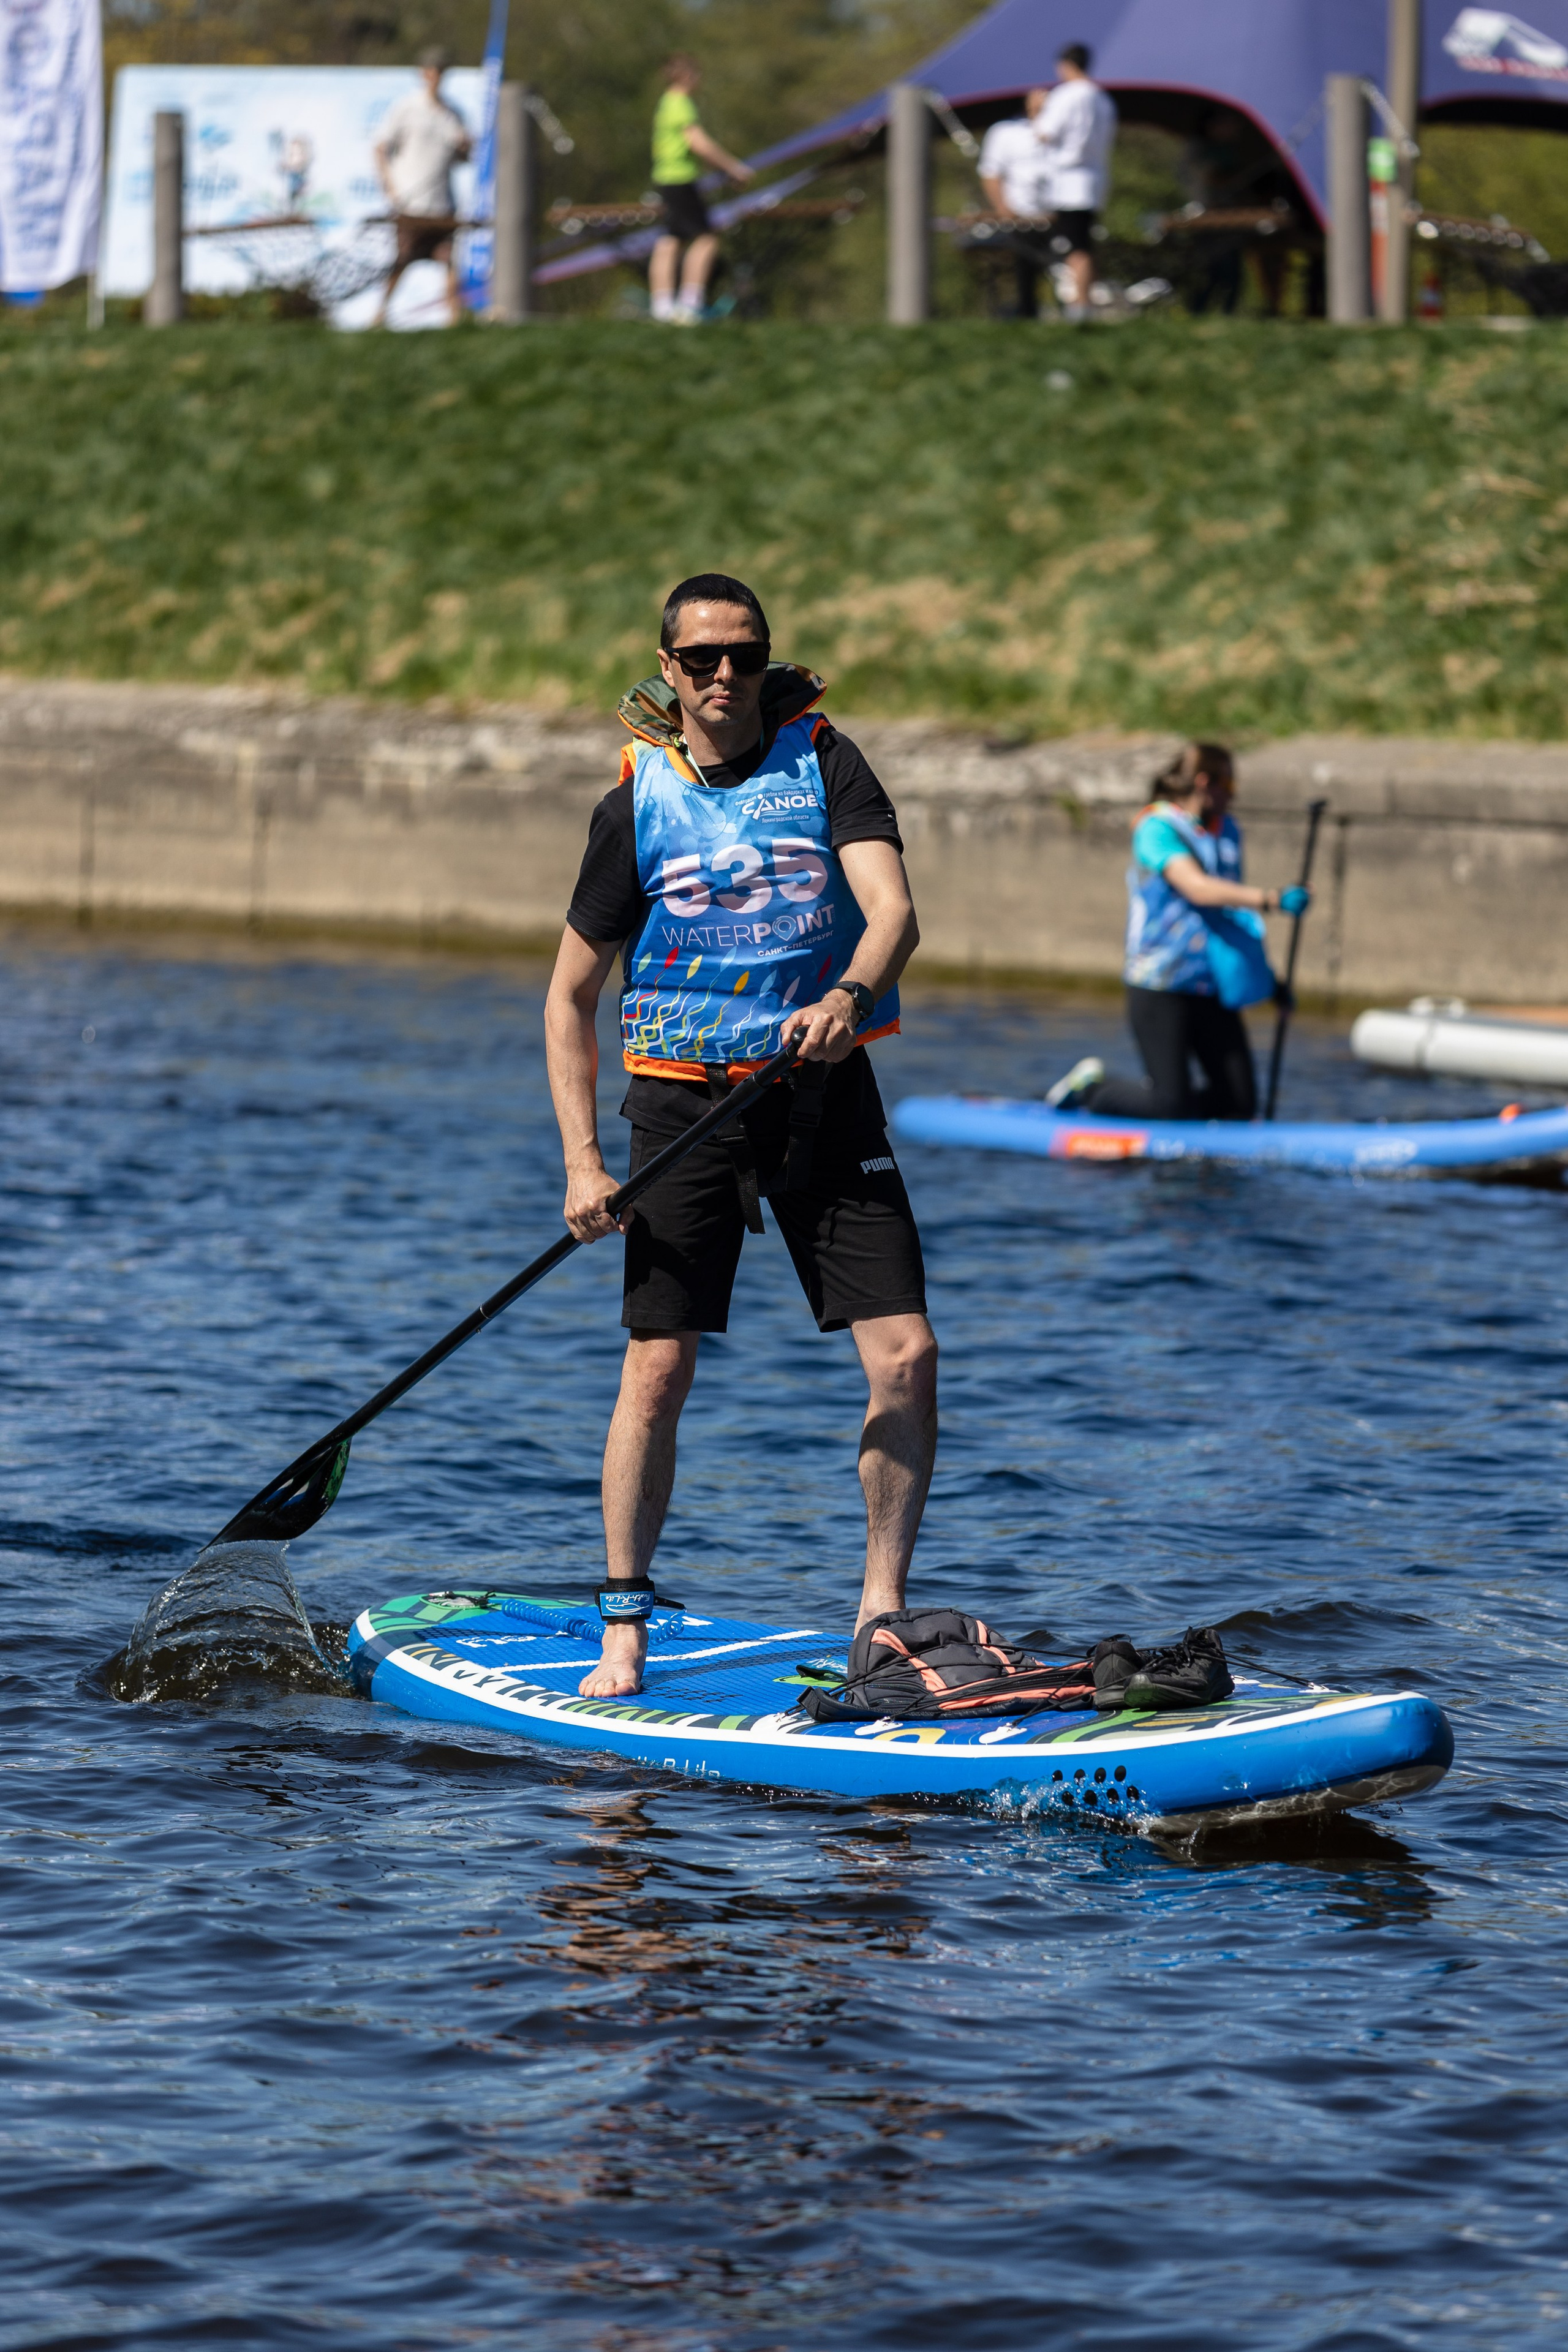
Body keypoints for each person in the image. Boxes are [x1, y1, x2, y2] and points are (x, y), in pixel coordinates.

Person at [545, 573, 939, 1698]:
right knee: (658, 1368)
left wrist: (851, 996)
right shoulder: (635, 802)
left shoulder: (823, 762)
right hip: (681, 1106)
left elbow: (894, 912)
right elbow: (568, 996)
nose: (727, 677)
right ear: (669, 671)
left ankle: (881, 1614)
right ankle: (625, 1623)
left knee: (907, 1355)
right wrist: (583, 1161)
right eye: (703, 659)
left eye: (746, 656)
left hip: (821, 1091)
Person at [1045, 742, 1310, 1121]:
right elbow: (1197, 887)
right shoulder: (1156, 828)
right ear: (1205, 783)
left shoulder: (1227, 832)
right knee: (1170, 1103)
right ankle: (1092, 1089)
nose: (1233, 795)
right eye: (1229, 784)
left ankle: (1185, 1120)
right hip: (1159, 985)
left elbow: (1228, 915)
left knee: (1239, 1105)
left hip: (1211, 984)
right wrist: (1271, 898)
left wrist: (1271, 983)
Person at [648, 56, 754, 325]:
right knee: (707, 239)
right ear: (689, 77)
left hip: (665, 177)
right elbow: (698, 142)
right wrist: (732, 168)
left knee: (671, 240)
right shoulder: (681, 103)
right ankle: (690, 306)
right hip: (680, 179)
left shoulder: (665, 102)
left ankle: (662, 308)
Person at [372, 47, 472, 328]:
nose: (435, 76)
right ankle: (380, 315)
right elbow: (380, 148)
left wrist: (466, 148)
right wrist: (391, 189)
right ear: (422, 73)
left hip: (443, 204)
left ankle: (456, 321)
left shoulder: (453, 114)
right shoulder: (406, 108)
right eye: (430, 70)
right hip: (412, 204)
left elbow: (463, 159)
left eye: (440, 71)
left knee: (450, 262)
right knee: (402, 260)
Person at [1033, 42, 1117, 322]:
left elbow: (1044, 133)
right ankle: (1085, 302)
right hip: (1094, 178)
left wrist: (1036, 110)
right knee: (1085, 244)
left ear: (1066, 65)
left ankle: (1080, 308)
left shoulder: (1066, 96)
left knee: (1077, 248)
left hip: (1070, 181)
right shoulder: (1103, 99)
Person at [977, 89, 1054, 319]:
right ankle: (1026, 314)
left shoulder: (1064, 128)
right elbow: (991, 173)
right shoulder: (1005, 131)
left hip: (1058, 214)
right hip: (1021, 216)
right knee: (1024, 269)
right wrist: (1003, 208)